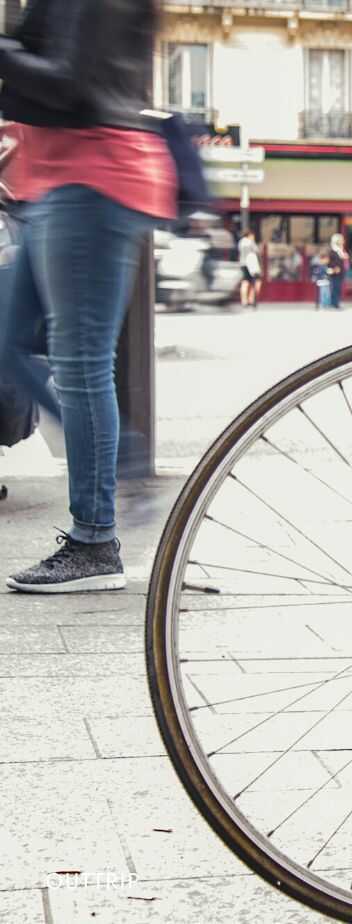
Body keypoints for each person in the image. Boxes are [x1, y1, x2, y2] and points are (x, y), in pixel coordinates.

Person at [0, 0, 177, 592]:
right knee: (6, 342)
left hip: (95, 181)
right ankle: (116, 452)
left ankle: (94, 541)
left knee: (80, 363)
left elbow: (71, 80)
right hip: (58, 182)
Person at [238, 228, 261, 309]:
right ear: (250, 235)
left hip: (243, 264)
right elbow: (257, 251)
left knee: (245, 282)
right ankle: (251, 299)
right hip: (252, 265)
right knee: (256, 282)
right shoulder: (250, 242)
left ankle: (244, 301)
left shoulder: (241, 242)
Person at [325, 233, 347, 309]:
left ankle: (336, 302)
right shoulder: (333, 250)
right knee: (335, 288)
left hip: (340, 272)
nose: (342, 241)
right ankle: (334, 303)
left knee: (338, 288)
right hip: (334, 273)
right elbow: (329, 261)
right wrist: (334, 268)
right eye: (341, 240)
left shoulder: (340, 250)